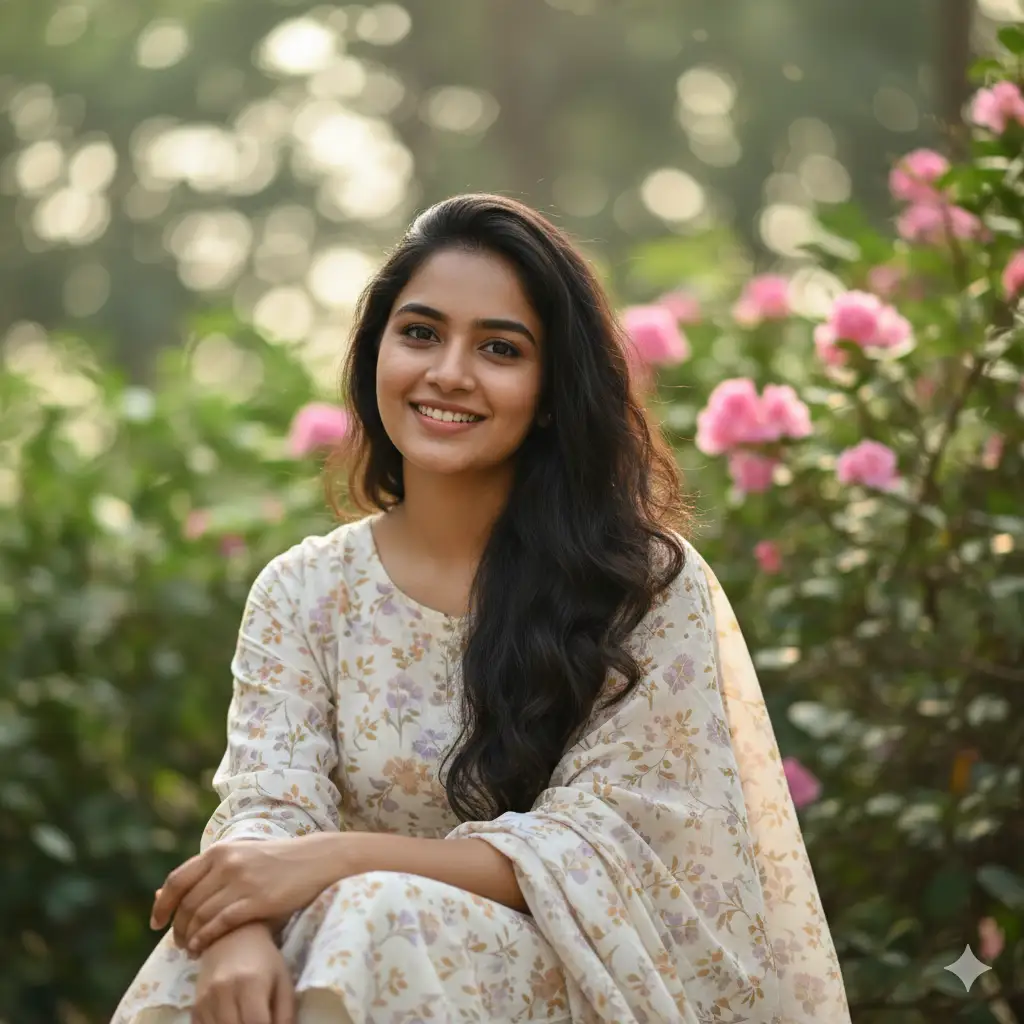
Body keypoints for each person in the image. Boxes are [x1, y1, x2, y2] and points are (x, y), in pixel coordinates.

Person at [113, 194, 850, 1024]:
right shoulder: (304, 591)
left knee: (371, 917)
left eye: (499, 348)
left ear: (549, 389)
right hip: (348, 950)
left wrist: (332, 862)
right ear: (375, 354)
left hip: (579, 979)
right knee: (217, 965)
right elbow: (269, 799)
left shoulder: (639, 587)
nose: (449, 371)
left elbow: (613, 847)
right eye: (420, 333)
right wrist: (237, 927)